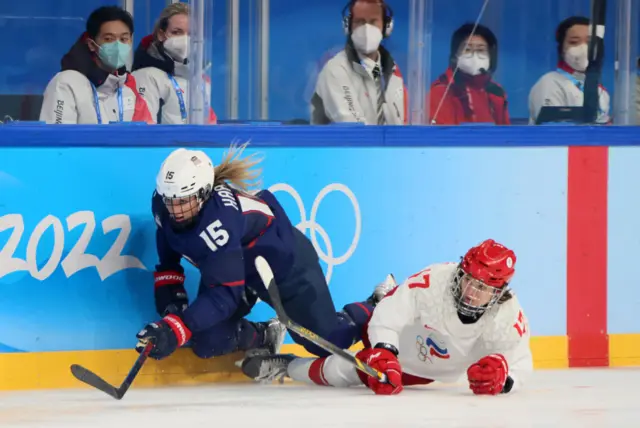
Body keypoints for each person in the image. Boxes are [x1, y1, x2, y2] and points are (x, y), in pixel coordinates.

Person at [135, 144, 389, 361]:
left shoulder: (220, 222)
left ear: (203, 194)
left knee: (327, 342)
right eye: (170, 200)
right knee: (208, 341)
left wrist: (175, 328)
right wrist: (172, 308)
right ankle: (265, 336)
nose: (175, 210)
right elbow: (169, 256)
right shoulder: (164, 206)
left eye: (183, 201)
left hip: (284, 264)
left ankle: (377, 305)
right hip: (239, 267)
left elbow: (224, 295)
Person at [241, 239, 533, 396]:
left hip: (424, 369)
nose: (470, 291)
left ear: (498, 292)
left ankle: (288, 366)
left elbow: (522, 363)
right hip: (392, 337)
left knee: (343, 373)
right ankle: (375, 300)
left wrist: (505, 380)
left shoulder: (507, 315)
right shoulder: (436, 280)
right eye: (468, 279)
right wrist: (384, 350)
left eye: (482, 287)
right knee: (350, 330)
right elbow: (392, 315)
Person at [39, 6, 152, 124]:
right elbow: (57, 137)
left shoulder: (127, 86)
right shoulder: (66, 83)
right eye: (109, 39)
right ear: (91, 44)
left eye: (124, 39)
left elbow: (146, 135)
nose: (118, 46)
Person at [310, 0, 407, 125]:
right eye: (360, 22)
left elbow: (399, 125)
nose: (367, 29)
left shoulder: (392, 72)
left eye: (373, 22)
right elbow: (353, 130)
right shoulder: (335, 70)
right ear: (348, 26)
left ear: (386, 27)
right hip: (347, 144)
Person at [132, 3, 217, 124]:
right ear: (161, 35)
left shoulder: (202, 79)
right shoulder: (147, 76)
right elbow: (144, 131)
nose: (185, 40)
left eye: (191, 34)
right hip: (165, 143)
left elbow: (210, 125)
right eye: (177, 32)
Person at [528, 16, 611, 125]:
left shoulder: (599, 90)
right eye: (574, 42)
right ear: (561, 48)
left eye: (589, 42)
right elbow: (554, 132)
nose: (583, 48)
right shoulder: (550, 83)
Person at [429, 24, 510, 125]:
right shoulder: (442, 91)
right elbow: (443, 136)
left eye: (480, 50)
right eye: (467, 50)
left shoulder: (496, 93)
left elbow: (504, 136)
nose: (474, 56)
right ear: (455, 55)